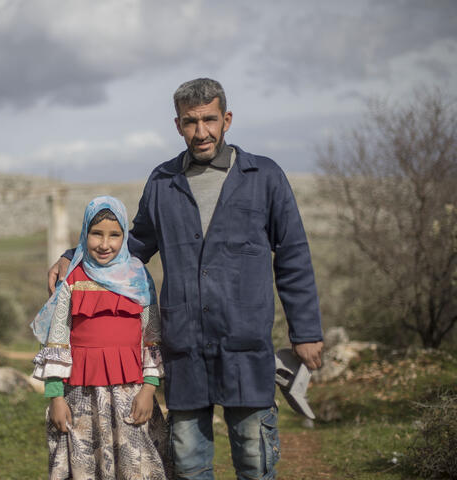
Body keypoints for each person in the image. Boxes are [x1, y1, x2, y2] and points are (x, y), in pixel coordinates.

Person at [48, 78, 324, 480]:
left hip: (246, 346)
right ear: (177, 125)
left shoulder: (264, 176)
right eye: (190, 122)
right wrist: (72, 257)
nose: (201, 132)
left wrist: (306, 331)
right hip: (184, 348)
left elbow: (294, 255)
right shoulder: (163, 182)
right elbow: (134, 243)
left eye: (209, 120)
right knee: (190, 466)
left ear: (226, 119)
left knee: (255, 461)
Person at [32, 196, 171, 480]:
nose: (105, 244)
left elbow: (151, 339)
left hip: (130, 395)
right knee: (85, 467)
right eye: (96, 234)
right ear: (85, 233)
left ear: (125, 237)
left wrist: (149, 389)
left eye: (114, 235)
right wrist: (56, 397)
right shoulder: (72, 278)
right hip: (80, 397)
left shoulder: (139, 277)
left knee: (135, 466)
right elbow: (57, 341)